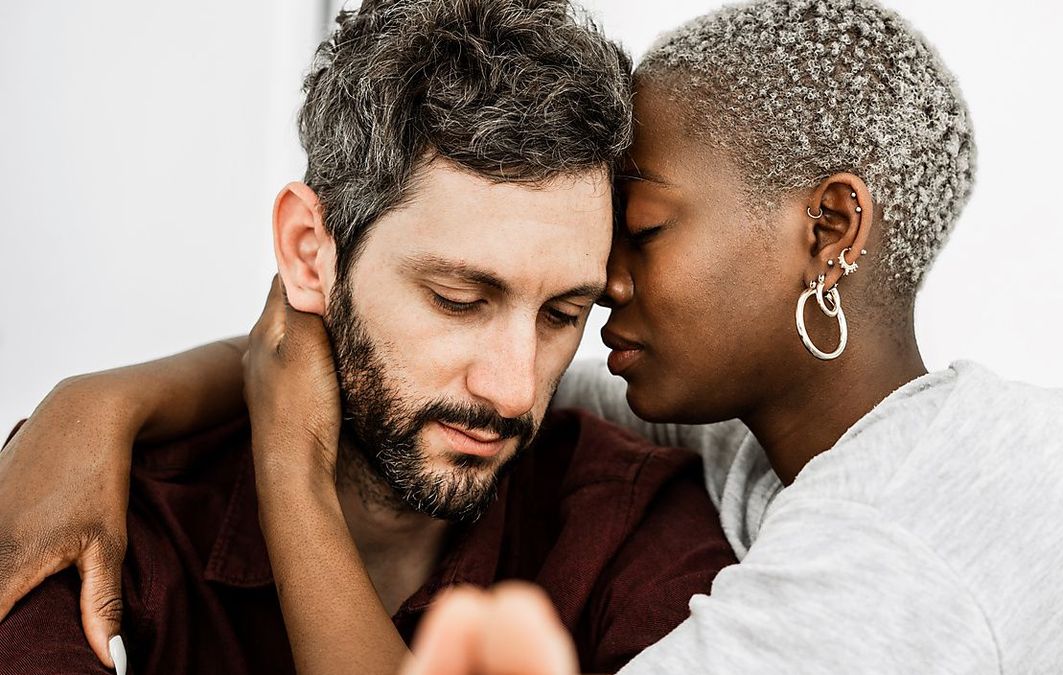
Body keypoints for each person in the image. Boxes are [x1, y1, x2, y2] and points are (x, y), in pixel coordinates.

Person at [6, 0, 1063, 673]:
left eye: (642, 234)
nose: (597, 296)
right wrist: (92, 406)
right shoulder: (747, 436)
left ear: (830, 227)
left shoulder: (894, 563)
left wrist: (288, 468)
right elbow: (364, 365)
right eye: (472, 295)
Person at [0, 1, 739, 674]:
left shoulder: (633, 534)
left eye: (560, 315)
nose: (514, 389)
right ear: (307, 250)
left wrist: (293, 466)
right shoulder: (108, 519)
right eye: (458, 299)